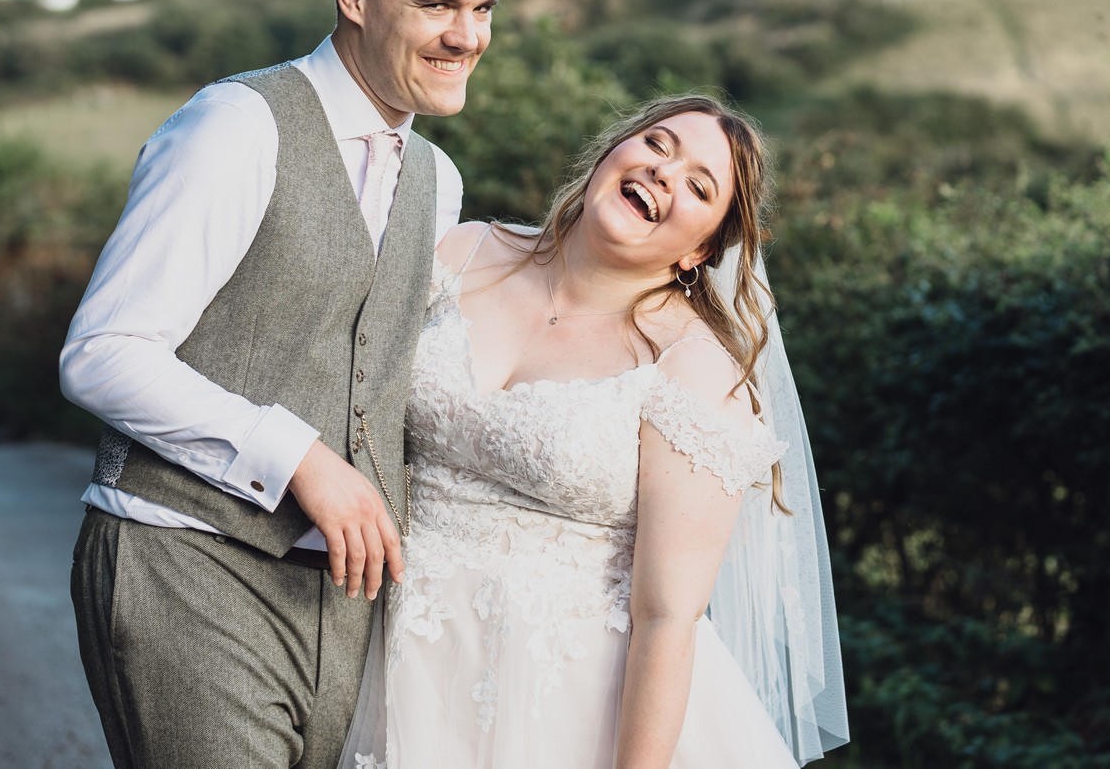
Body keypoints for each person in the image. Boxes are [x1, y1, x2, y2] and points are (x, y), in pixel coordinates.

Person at [62, 0, 501, 769]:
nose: (466, 36)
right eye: (437, 4)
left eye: (482, 8)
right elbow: (102, 352)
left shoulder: (438, 181)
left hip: (342, 605)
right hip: (187, 561)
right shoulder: (237, 125)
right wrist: (299, 456)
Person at [339, 95, 849, 768]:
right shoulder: (461, 250)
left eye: (699, 186)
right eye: (657, 145)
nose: (664, 172)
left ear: (700, 249)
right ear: (612, 153)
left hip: (565, 709)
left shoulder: (694, 371)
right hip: (384, 651)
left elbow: (667, 618)